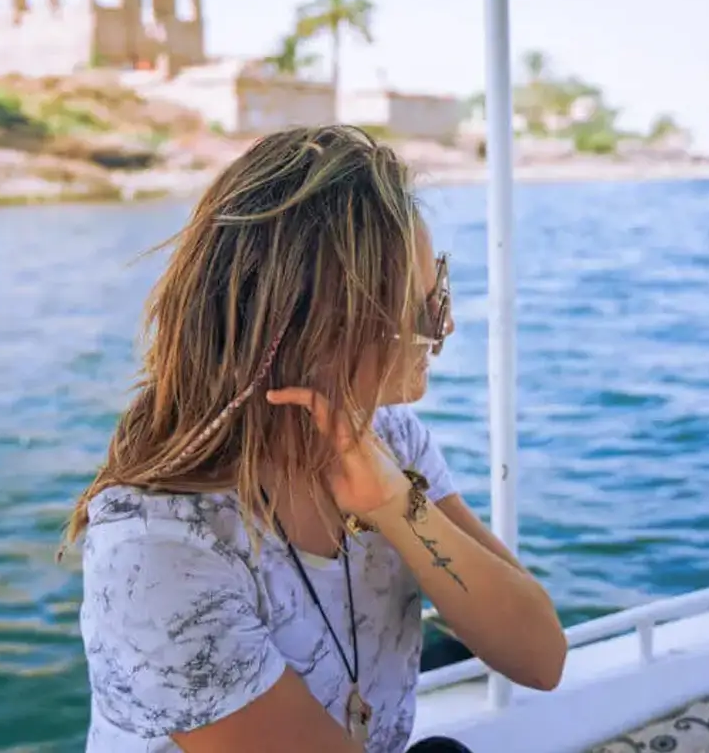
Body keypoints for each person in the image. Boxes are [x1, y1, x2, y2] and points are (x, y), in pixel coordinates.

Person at [64, 126, 566, 753]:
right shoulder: (159, 549)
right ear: (318, 330)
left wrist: (396, 507)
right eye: (423, 308)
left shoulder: (391, 442)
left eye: (440, 294)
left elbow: (542, 657)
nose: (445, 325)